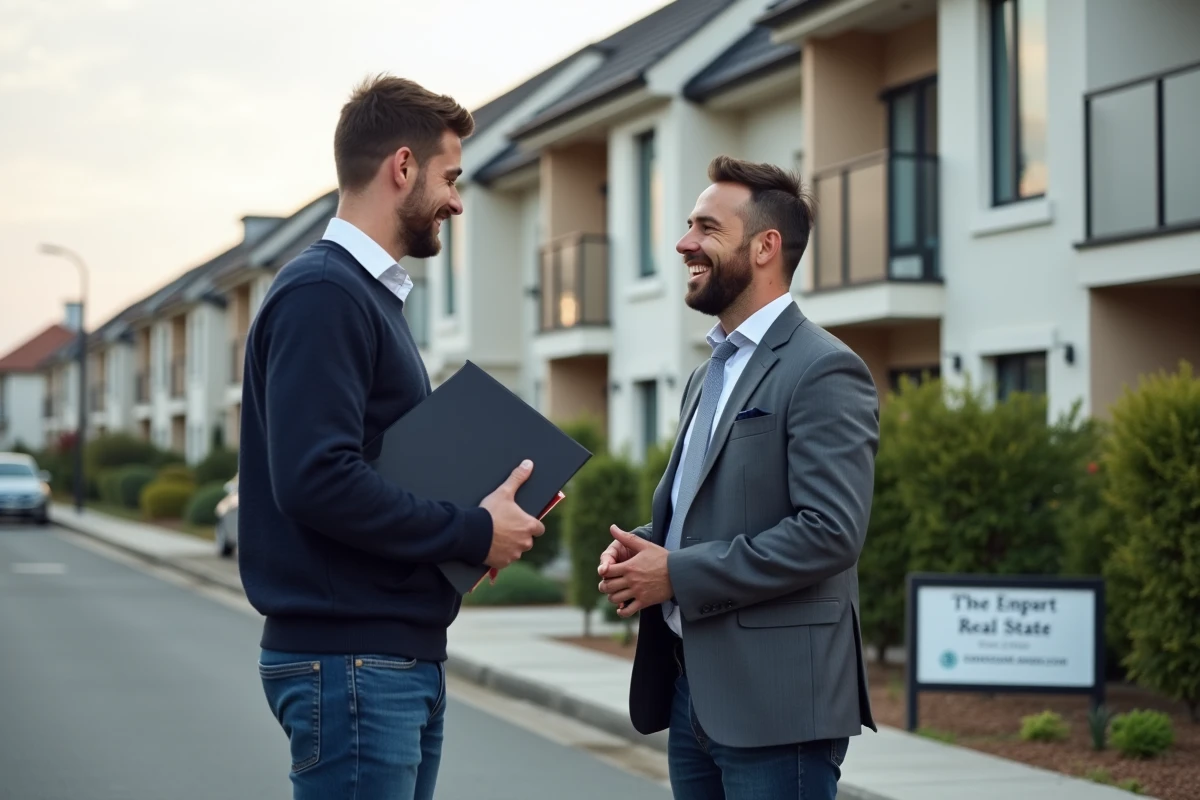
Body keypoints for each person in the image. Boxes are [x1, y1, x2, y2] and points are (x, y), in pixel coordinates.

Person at [237, 74, 545, 800]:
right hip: (353, 662)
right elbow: (318, 480)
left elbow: (371, 468)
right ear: (401, 168)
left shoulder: (362, 297)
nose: (459, 201)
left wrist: (475, 528)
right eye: (451, 177)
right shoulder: (325, 294)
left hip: (383, 659)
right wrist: (471, 530)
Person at [597, 155, 879, 799]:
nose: (683, 242)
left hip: (778, 709)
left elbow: (829, 533)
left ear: (765, 247)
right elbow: (710, 507)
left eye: (706, 227)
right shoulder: (707, 373)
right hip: (690, 693)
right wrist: (643, 545)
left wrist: (675, 573)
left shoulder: (824, 370)